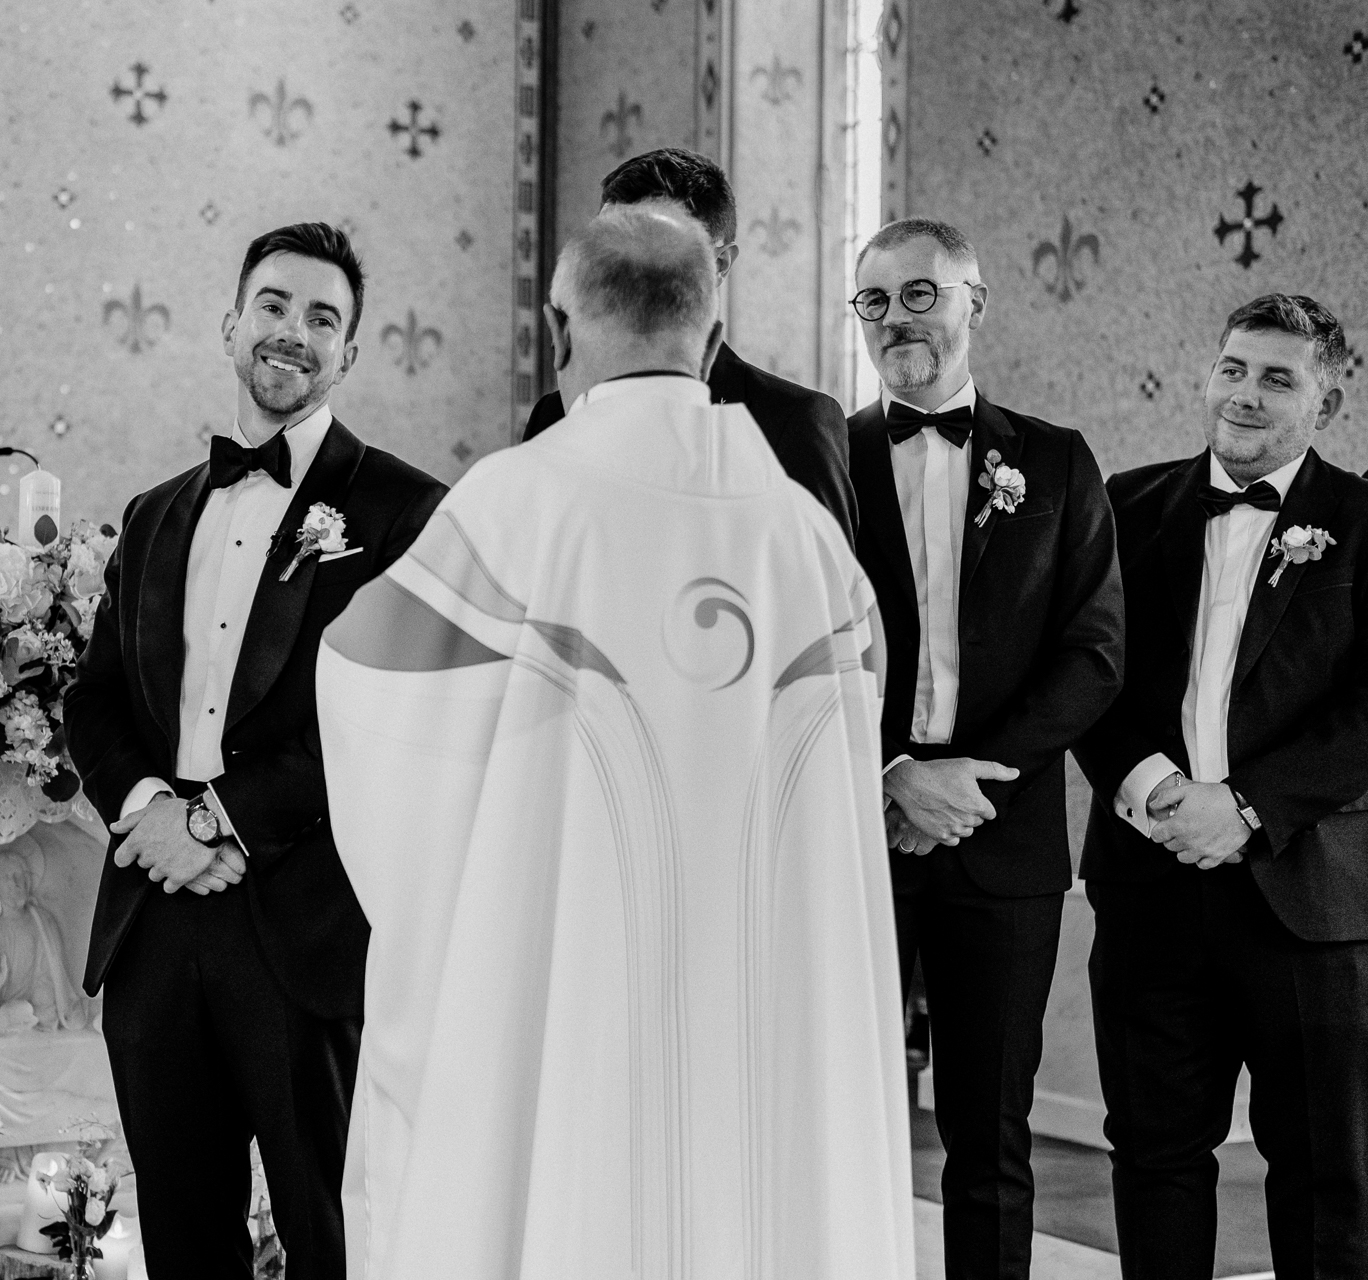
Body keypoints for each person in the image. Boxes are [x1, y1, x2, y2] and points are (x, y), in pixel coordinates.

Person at [319, 204, 914, 1280]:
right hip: (770, 1011)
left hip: (569, 993)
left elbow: (367, 687)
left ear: (561, 326)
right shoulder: (811, 543)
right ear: (713, 328)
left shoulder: (516, 503)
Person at [62, 222, 445, 1280]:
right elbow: (94, 703)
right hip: (154, 924)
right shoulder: (152, 515)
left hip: (302, 922)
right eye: (273, 306)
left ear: (350, 355)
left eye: (323, 318)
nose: (293, 333)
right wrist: (149, 807)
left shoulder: (406, 511)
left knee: (334, 1236)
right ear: (231, 324)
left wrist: (216, 818)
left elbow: (383, 716)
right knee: (183, 1237)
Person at [846, 217, 1124, 1279]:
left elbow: (1095, 652)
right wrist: (892, 773)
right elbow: (795, 638)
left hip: (1003, 840)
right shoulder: (828, 457)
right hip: (856, 829)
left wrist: (968, 775)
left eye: (921, 293)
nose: (898, 318)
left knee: (990, 1137)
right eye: (874, 300)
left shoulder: (1052, 460)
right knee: (847, 1116)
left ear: (975, 301)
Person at [1076, 294, 1368, 1280]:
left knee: (1330, 1171)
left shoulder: (1364, 521)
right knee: (1155, 1156)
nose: (1244, 393)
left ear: (1325, 404)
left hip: (1307, 898)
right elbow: (1085, 671)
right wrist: (1159, 790)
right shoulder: (1126, 504)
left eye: (1278, 377)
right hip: (1149, 888)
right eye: (1234, 368)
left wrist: (1244, 808)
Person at [520, 146, 858, 545]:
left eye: (662, 248)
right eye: (607, 245)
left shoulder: (793, 423)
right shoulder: (552, 413)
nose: (626, 269)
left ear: (719, 264)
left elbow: (820, 596)